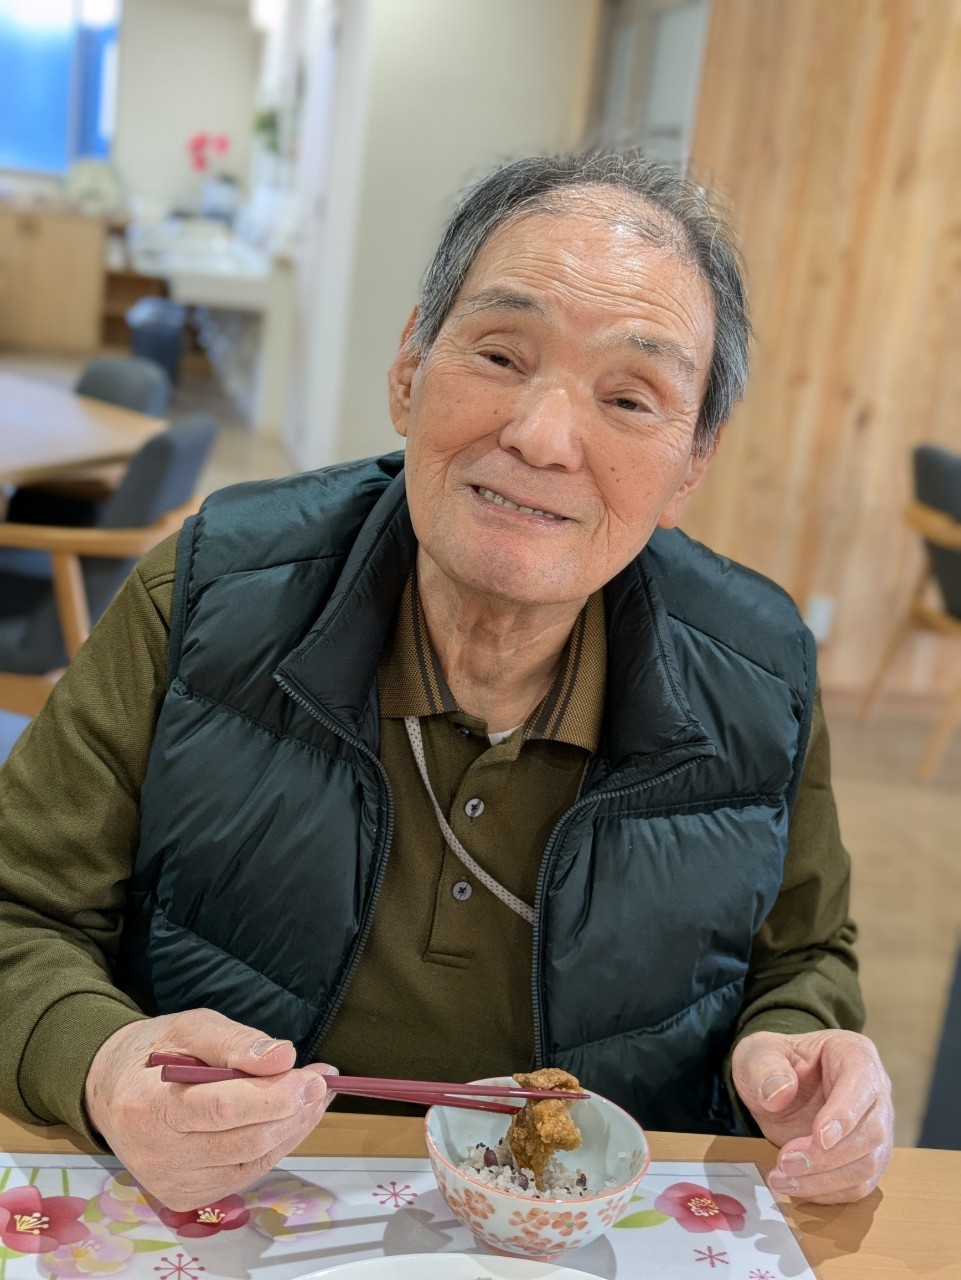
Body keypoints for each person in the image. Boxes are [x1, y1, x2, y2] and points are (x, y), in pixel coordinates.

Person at [0, 152, 892, 1213]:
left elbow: (802, 962)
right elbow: (19, 911)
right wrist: (104, 1064)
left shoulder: (761, 672)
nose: (542, 438)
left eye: (628, 396)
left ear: (691, 462)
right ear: (409, 368)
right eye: (502, 355)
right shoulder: (202, 597)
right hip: (237, 1212)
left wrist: (796, 1056)